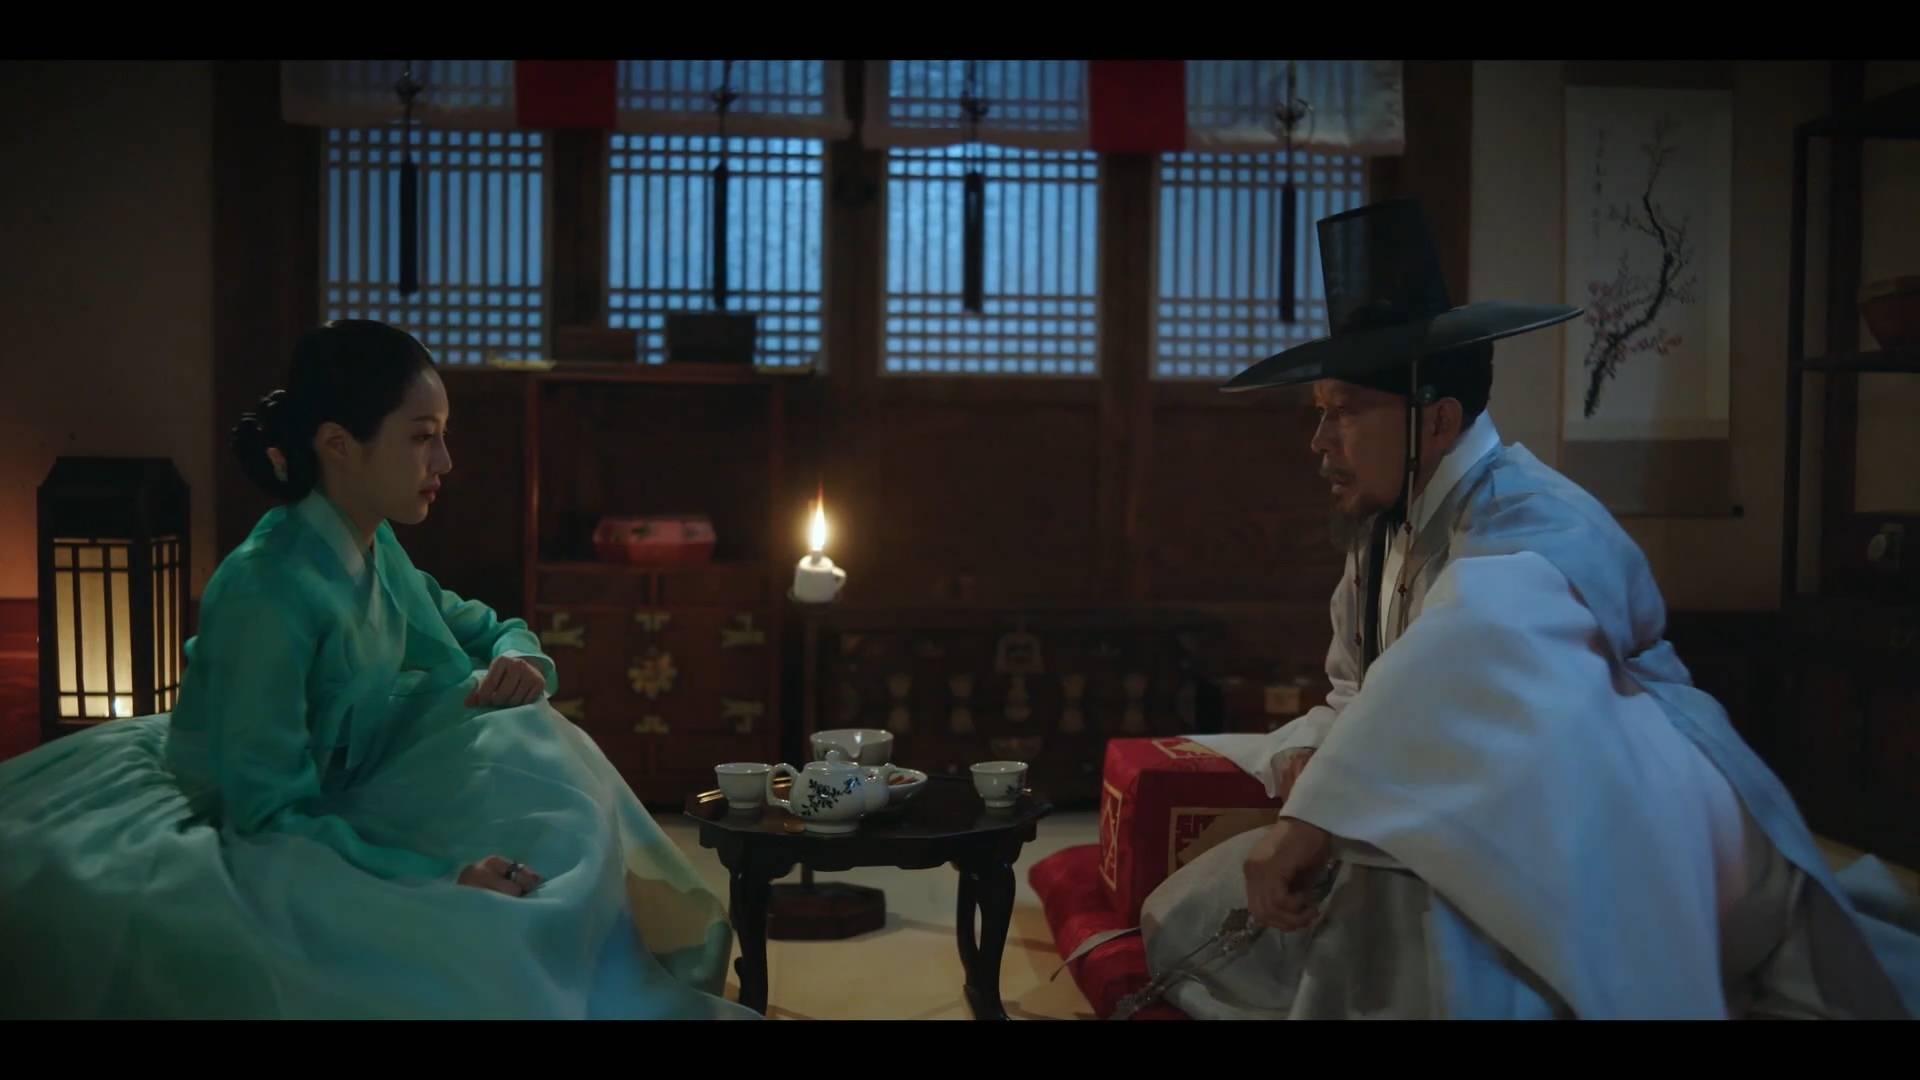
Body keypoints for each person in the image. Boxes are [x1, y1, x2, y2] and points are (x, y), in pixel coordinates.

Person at [1136, 200, 1920, 1020]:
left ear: (1437, 421)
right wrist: (1313, 760)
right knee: (1193, 909)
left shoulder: (1535, 521)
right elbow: (1365, 695)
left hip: (1638, 808)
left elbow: (1477, 639)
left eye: (1344, 412)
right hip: (1504, 808)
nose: (1319, 441)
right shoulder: (1388, 527)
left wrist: (1314, 816)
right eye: (1320, 412)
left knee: (1386, 911)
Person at [0, 320, 758, 1020]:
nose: (445, 462)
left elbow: (479, 626)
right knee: (463, 940)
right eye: (423, 438)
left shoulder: (370, 544)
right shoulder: (265, 589)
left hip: (338, 784)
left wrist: (518, 657)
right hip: (250, 818)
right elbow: (265, 810)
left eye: (443, 437)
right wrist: (436, 874)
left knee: (528, 737)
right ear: (338, 444)